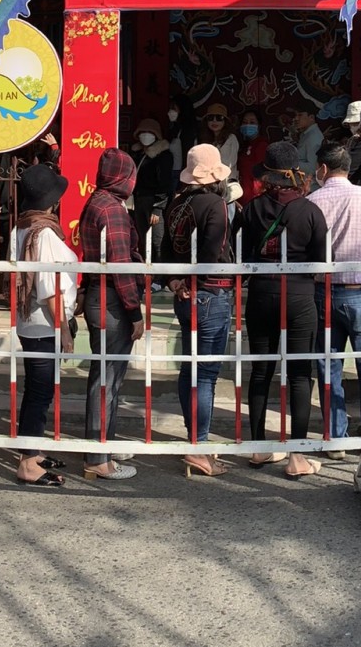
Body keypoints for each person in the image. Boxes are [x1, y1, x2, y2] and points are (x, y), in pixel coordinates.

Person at [232, 141, 325, 479]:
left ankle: (258, 446)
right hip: (300, 295)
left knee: (261, 371)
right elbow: (321, 259)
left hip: (260, 292)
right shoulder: (310, 211)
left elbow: (238, 250)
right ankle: (297, 455)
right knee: (300, 374)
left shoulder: (251, 209)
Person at [307, 143, 361, 446]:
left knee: (329, 367)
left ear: (323, 169)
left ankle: (336, 437)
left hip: (324, 292)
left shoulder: (313, 199)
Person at [159, 143, 235, 477]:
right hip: (210, 293)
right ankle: (200, 446)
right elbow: (212, 251)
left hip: (183, 293)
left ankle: (195, 440)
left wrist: (176, 282)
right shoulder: (215, 204)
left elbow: (164, 248)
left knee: (189, 370)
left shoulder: (175, 204)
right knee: (205, 373)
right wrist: (196, 280)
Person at [76, 147, 142, 481]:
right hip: (113, 301)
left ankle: (104, 442)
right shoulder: (113, 210)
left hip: (99, 298)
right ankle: (98, 456)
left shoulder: (94, 202)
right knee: (107, 378)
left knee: (105, 376)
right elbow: (121, 266)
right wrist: (135, 311)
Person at [11, 163, 77, 487]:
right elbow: (50, 287)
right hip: (45, 323)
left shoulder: (21, 227)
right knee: (39, 392)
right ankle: (27, 464)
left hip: (28, 322)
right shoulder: (45, 233)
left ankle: (32, 452)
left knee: (36, 390)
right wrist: (63, 328)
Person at [129, 118, 176, 256]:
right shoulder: (138, 154)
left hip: (154, 202)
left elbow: (165, 183)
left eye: (150, 132)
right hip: (139, 200)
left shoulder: (164, 155)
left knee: (157, 240)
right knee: (142, 239)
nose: (146, 135)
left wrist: (158, 207)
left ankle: (160, 275)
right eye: (142, 132)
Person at [197, 103, 241, 182]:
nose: (214, 121)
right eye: (210, 118)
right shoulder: (202, 140)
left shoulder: (231, 138)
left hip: (227, 183)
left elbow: (230, 163)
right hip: (207, 183)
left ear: (225, 121)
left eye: (219, 118)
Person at [236, 109, 269, 203]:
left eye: (252, 122)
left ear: (259, 126)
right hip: (243, 192)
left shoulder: (262, 145)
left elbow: (262, 174)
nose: (247, 125)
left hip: (254, 195)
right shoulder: (244, 145)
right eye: (245, 122)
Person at [289, 107, 324, 178]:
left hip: (310, 185)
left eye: (300, 115)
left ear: (311, 117)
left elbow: (313, 168)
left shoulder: (313, 137)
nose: (296, 118)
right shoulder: (306, 134)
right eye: (295, 115)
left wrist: (289, 162)